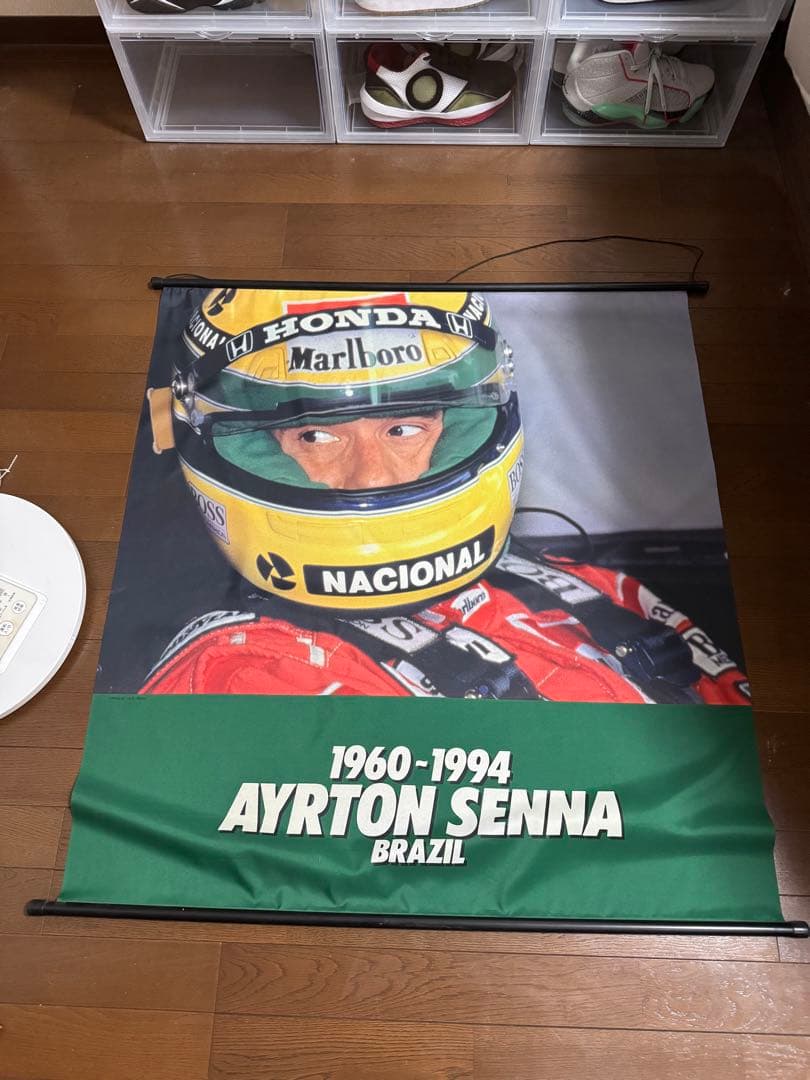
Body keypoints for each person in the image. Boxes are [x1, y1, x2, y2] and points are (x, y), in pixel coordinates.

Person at [142, 287, 749, 704]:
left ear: (463, 427)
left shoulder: (596, 589)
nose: (372, 477)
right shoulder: (243, 669)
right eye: (317, 435)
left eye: (404, 428)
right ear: (252, 447)